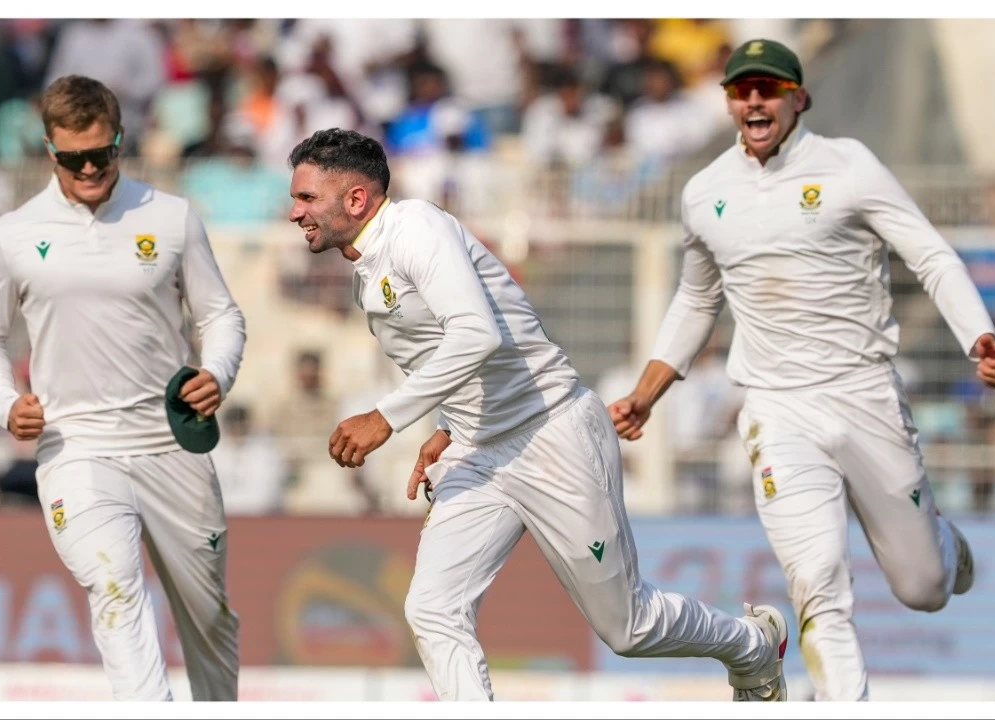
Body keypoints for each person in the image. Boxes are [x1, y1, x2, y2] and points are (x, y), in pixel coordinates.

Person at [284, 128, 790, 702]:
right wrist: (448, 426)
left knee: (628, 628)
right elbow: (457, 347)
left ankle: (753, 644)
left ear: (356, 199)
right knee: (432, 609)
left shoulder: (416, 227)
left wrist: (386, 417)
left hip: (549, 431)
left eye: (306, 198)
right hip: (478, 453)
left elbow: (477, 334)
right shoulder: (367, 270)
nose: (294, 212)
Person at [607, 39, 995, 702]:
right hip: (777, 406)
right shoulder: (705, 192)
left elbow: (931, 256)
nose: (755, 101)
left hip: (864, 393)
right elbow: (697, 297)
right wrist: (648, 392)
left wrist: (980, 336)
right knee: (818, 584)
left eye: (769, 88)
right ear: (728, 102)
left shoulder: (849, 166)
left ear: (799, 97)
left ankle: (944, 547)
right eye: (742, 90)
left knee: (923, 587)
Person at [0, 75, 246, 701]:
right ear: (48, 149)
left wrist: (216, 373)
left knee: (211, 620)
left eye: (102, 152)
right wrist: (6, 404)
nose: (89, 168)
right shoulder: (16, 231)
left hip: (171, 445)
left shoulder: (170, 217)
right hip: (76, 445)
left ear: (119, 139)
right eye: (73, 158)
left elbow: (221, 315)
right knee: (113, 587)